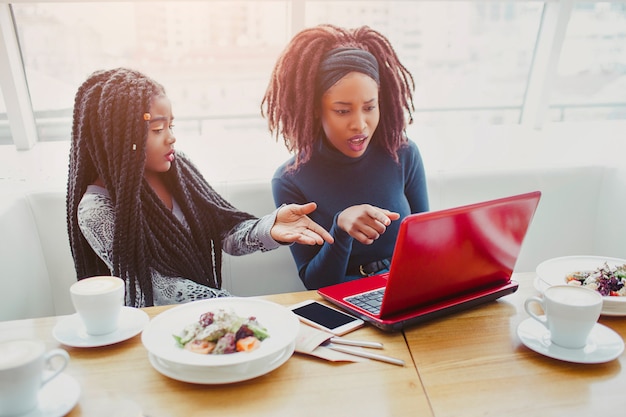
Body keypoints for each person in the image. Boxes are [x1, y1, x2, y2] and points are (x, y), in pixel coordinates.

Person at [67, 67, 333, 307]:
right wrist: (241, 308)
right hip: (152, 331)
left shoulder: (177, 169)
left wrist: (269, 228)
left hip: (205, 318)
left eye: (171, 125)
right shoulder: (95, 210)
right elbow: (159, 288)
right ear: (118, 137)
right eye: (158, 129)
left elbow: (224, 231)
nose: (171, 137)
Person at [262, 24, 429, 290]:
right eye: (342, 111)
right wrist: (340, 230)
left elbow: (426, 241)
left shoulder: (404, 154)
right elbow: (314, 282)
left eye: (369, 107)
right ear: (317, 109)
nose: (360, 124)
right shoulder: (290, 180)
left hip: (405, 287)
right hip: (346, 299)